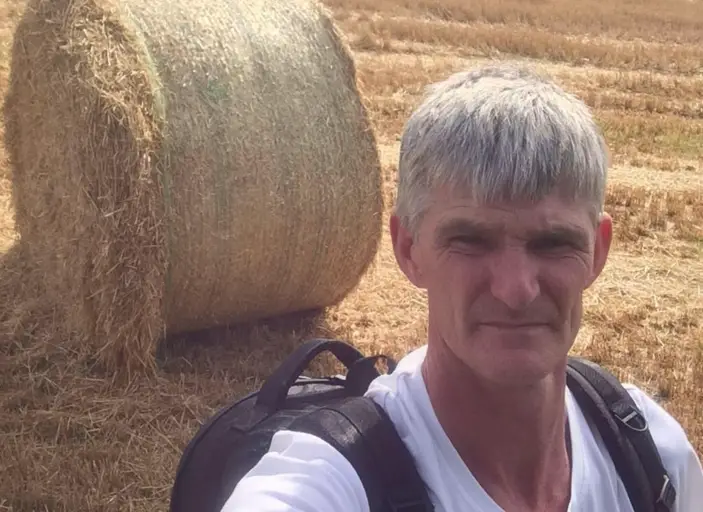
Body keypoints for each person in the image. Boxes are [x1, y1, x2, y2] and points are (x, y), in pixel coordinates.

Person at [219, 62, 703, 511]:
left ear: (597, 252)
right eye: (470, 241)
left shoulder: (650, 455)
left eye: (554, 243)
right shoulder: (330, 481)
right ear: (408, 250)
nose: (517, 290)